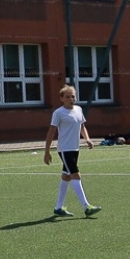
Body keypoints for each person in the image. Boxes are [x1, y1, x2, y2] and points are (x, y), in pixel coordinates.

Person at [43, 84, 100, 217]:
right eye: (67, 97)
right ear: (62, 98)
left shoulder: (78, 110)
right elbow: (51, 132)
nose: (71, 99)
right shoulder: (58, 113)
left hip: (75, 148)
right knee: (75, 175)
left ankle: (58, 208)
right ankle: (86, 207)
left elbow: (82, 126)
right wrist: (47, 151)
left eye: (73, 96)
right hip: (65, 149)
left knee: (66, 176)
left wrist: (87, 139)